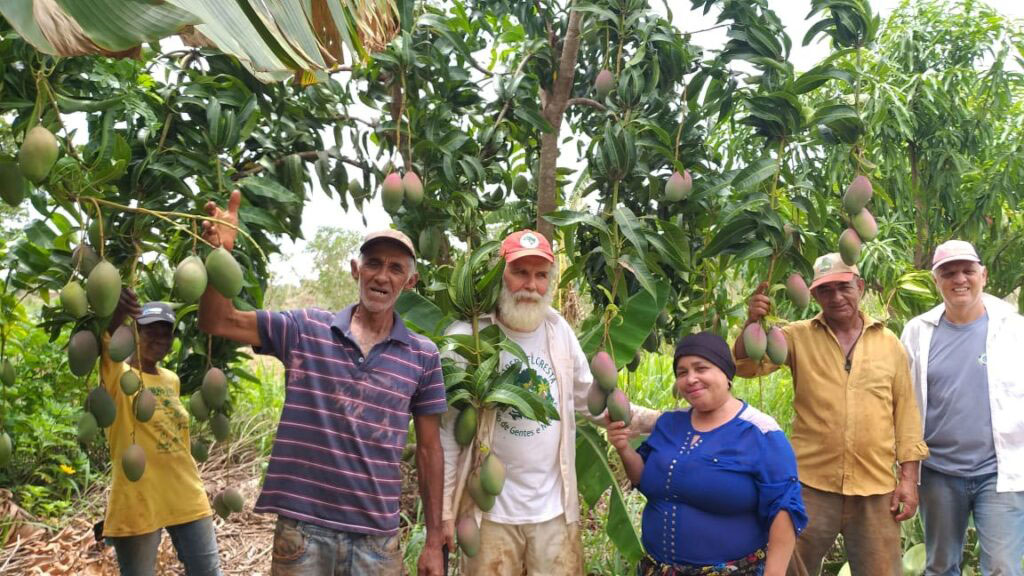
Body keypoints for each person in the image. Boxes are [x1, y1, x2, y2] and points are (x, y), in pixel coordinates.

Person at [197, 190, 447, 576]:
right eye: (374, 263)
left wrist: (433, 540)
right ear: (355, 269)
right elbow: (218, 321)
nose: (382, 275)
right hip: (304, 532)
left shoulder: (423, 356)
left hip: (377, 540)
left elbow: (430, 450)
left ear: (410, 281)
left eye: (396, 268)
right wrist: (221, 257)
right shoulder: (304, 330)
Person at [439, 229, 660, 575]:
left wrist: (658, 421)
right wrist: (445, 512)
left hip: (553, 514)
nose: (531, 284)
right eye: (520, 272)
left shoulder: (559, 332)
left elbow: (589, 401)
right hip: (490, 516)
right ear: (500, 274)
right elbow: (450, 434)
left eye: (541, 275)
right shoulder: (469, 338)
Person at [734, 253, 929, 576]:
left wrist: (908, 480)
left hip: (875, 488)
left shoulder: (889, 343)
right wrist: (752, 323)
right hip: (810, 484)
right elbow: (747, 366)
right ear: (814, 295)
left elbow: (906, 413)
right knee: (789, 567)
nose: (836, 297)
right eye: (826, 290)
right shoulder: (795, 336)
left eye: (844, 287)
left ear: (860, 286)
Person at [609, 331, 807, 576]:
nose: (691, 379)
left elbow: (784, 511)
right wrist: (624, 449)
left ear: (726, 373)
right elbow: (643, 479)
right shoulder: (670, 423)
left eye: (701, 368)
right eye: (682, 372)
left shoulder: (761, 432)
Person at [900, 239, 1024, 576]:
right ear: (935, 280)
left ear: (982, 274)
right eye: (948, 272)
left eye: (968, 270)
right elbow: (902, 402)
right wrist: (905, 472)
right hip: (938, 472)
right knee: (940, 567)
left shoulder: (1014, 329)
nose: (960, 280)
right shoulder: (917, 332)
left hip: (1000, 472)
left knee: (1003, 568)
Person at [100, 290, 222, 575]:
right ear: (133, 332)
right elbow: (105, 342)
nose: (160, 338)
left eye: (166, 333)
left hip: (186, 493)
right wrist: (118, 313)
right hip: (138, 498)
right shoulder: (118, 374)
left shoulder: (172, 379)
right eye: (150, 331)